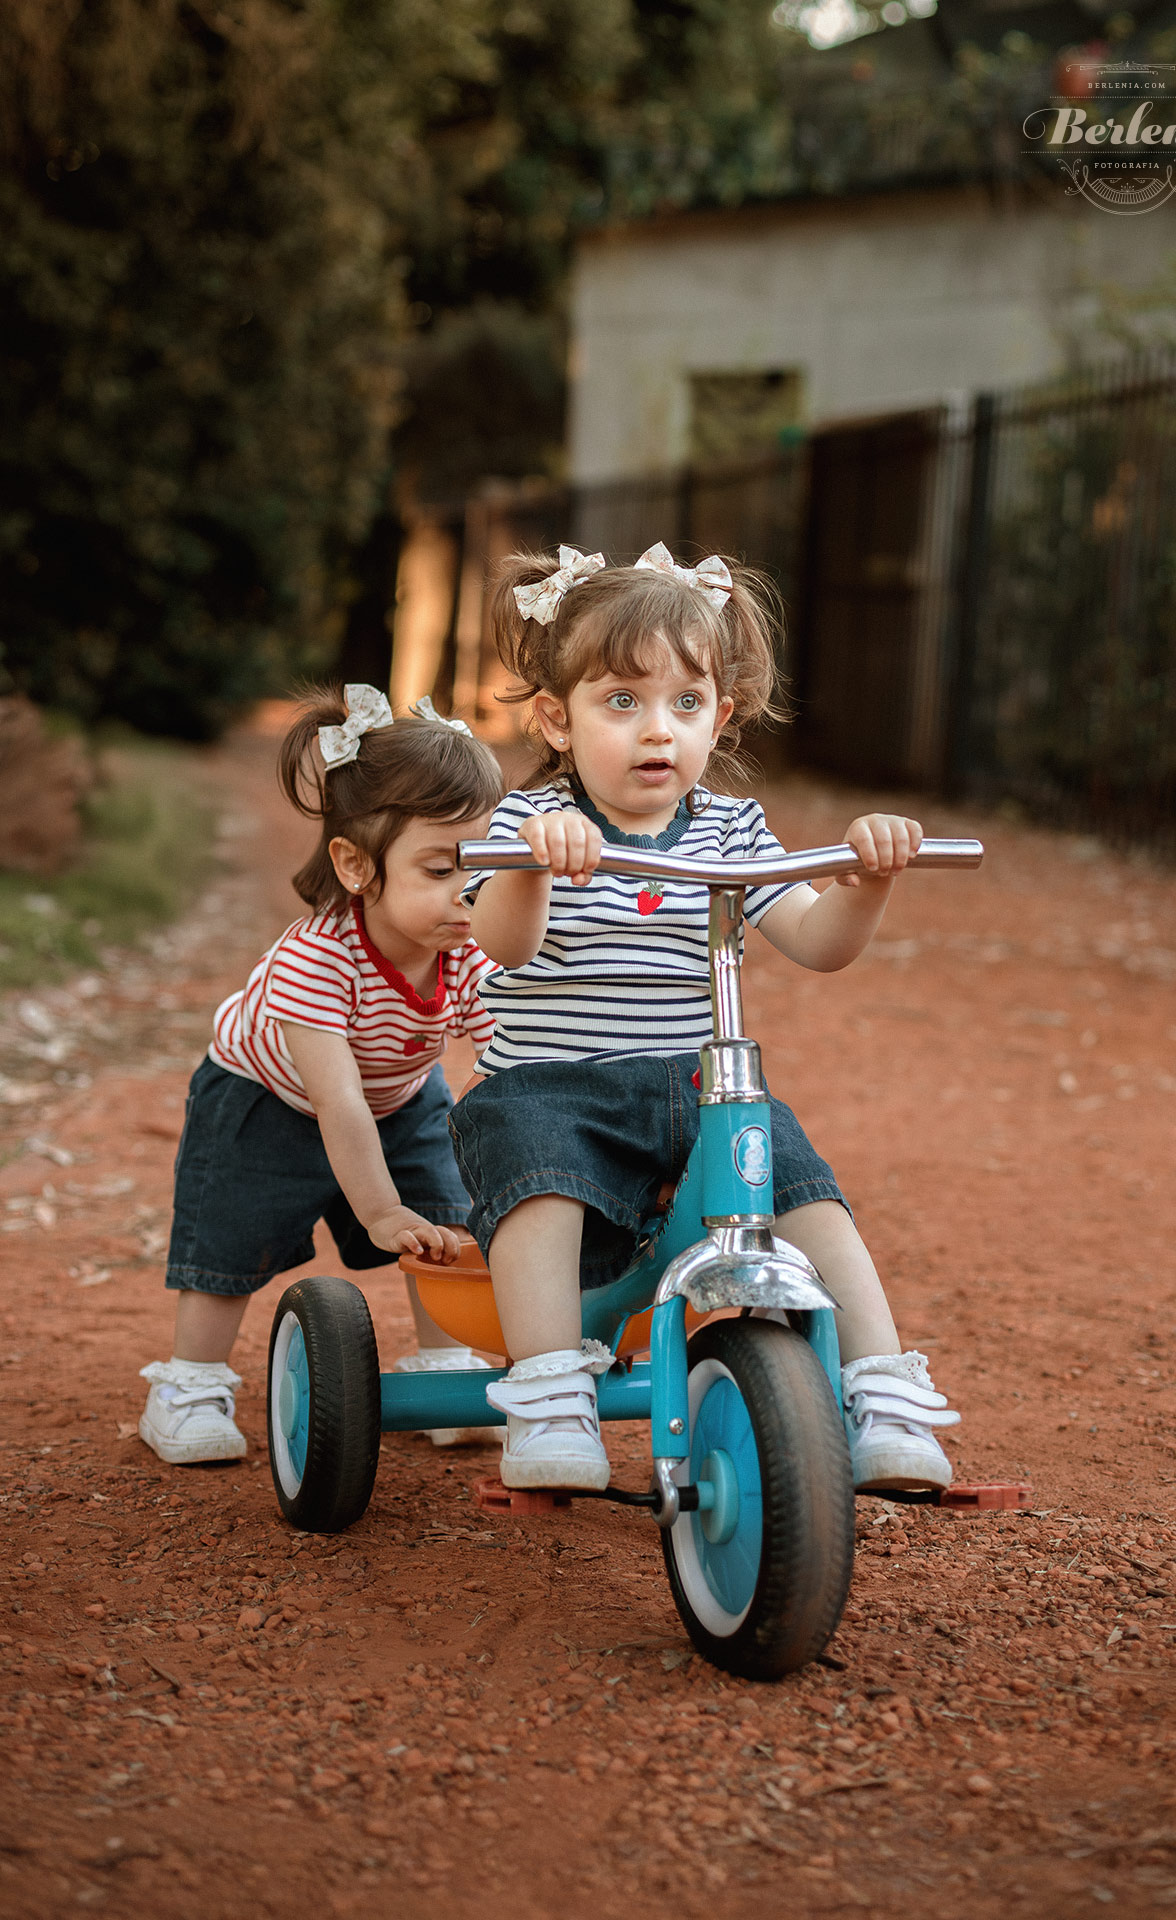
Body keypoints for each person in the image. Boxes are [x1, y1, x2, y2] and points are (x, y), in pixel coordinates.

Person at [450, 542, 961, 1494]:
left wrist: (864, 881)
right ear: (558, 721)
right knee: (538, 1185)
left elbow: (818, 943)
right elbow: (505, 947)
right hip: (550, 1091)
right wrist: (538, 862)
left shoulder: (732, 831)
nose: (659, 731)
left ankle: (880, 1388)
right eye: (623, 703)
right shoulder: (524, 823)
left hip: (698, 1088)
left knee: (807, 1193)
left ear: (720, 718)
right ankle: (551, 1389)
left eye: (686, 705)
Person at [137, 685, 504, 1465]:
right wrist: (376, 1212)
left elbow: (507, 1061)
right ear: (355, 864)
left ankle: (445, 1366)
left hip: (400, 1096)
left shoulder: (467, 948)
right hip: (268, 1098)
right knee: (230, 1238)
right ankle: (190, 1383)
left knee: (445, 1214)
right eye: (442, 869)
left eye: (486, 870)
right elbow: (337, 1102)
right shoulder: (317, 959)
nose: (469, 897)